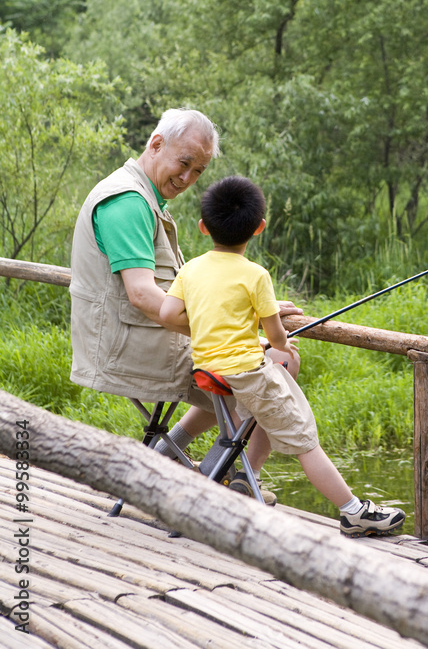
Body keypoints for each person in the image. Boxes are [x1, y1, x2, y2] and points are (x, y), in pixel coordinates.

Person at [69, 108, 300, 501]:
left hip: (140, 337)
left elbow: (184, 289)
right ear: (156, 144)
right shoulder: (126, 202)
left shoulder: (144, 195)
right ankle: (238, 479)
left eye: (199, 171)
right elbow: (143, 295)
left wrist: (249, 306)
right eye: (185, 163)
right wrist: (236, 326)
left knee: (237, 370)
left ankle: (169, 455)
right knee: (281, 361)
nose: (188, 178)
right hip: (129, 348)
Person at [158, 174, 406, 537]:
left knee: (252, 425)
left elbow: (167, 315)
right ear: (259, 228)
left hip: (208, 371)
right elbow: (275, 335)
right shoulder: (256, 275)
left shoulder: (191, 268)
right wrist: (282, 343)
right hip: (247, 375)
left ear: (201, 226)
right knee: (305, 439)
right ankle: (353, 512)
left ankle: (241, 477)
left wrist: (221, 331)